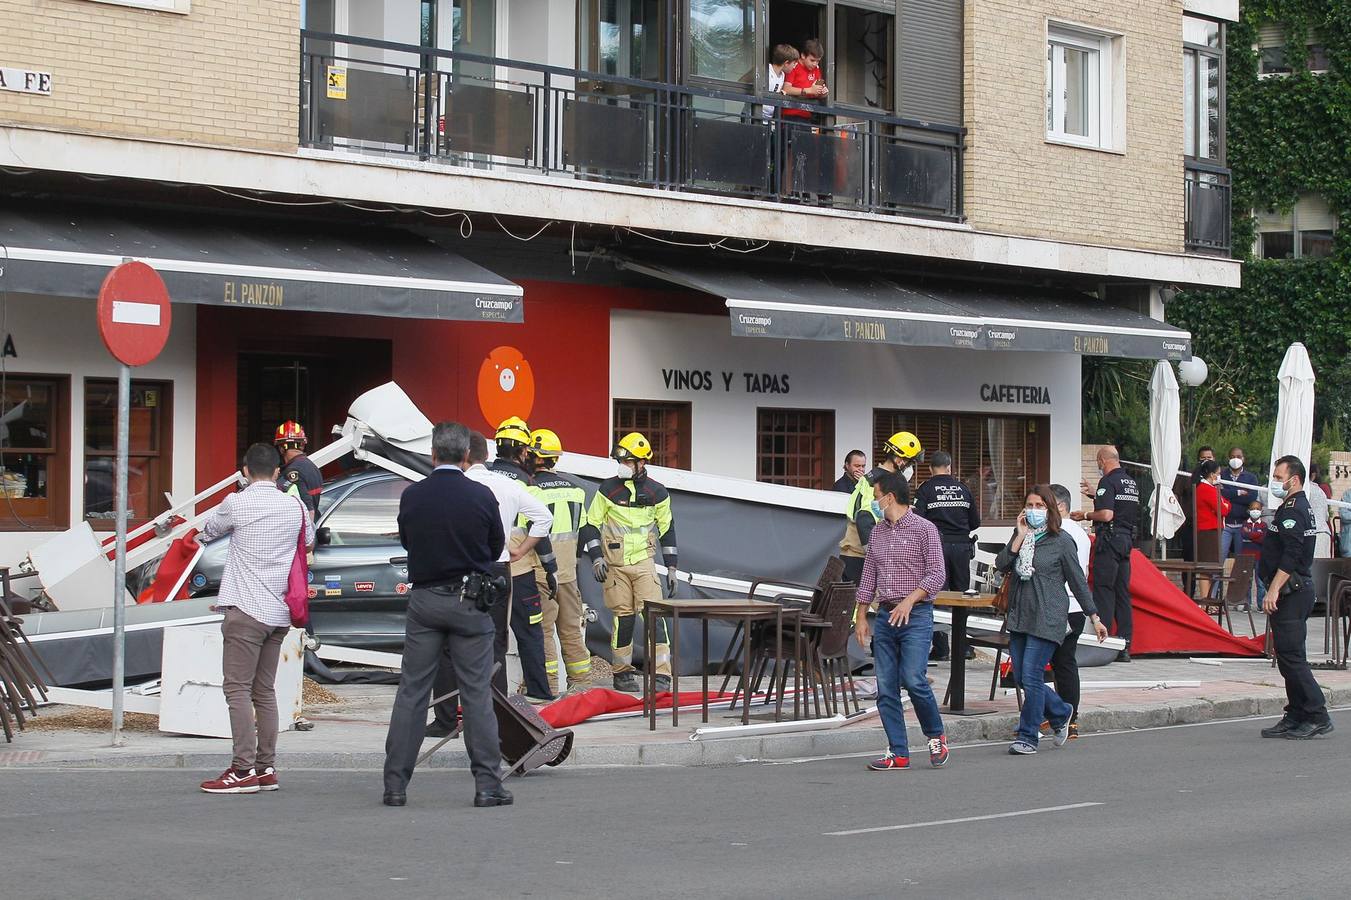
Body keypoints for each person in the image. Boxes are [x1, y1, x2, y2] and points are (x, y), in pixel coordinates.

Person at [383, 422, 513, 809]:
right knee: (476, 694)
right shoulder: (481, 495)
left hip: (425, 600)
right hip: (469, 602)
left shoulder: (413, 496)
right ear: (467, 457)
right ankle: (488, 785)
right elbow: (495, 546)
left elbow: (407, 539)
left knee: (412, 692)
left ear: (433, 454)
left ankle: (395, 786)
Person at [198, 442, 315, 794]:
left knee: (237, 689)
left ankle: (241, 769)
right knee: (264, 690)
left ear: (245, 471)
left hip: (245, 609)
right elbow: (308, 539)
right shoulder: (294, 504)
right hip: (280, 612)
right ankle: (266, 767)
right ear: (278, 472)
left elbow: (207, 530)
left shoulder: (237, 502)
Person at [425, 430, 553, 736]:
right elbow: (544, 517)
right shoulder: (508, 485)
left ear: (464, 454)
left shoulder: (456, 486)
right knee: (494, 645)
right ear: (485, 455)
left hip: (458, 571)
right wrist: (520, 549)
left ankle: (445, 719)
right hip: (498, 570)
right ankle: (495, 718)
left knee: (446, 646)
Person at [997, 486, 1108, 754]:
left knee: (1032, 675)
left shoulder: (1062, 541)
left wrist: (1094, 616)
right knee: (1022, 677)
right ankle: (1060, 713)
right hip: (1021, 614)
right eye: (1030, 505)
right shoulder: (1022, 535)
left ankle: (1027, 736)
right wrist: (1019, 537)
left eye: (1039, 506)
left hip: (1048, 615)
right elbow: (1002, 564)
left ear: (1050, 509)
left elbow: (1078, 582)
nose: (1034, 511)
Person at [853, 469, 949, 771]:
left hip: (917, 614)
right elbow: (869, 575)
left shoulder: (924, 529)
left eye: (876, 495)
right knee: (886, 686)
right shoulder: (878, 532)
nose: (874, 500)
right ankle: (898, 751)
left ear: (890, 497)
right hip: (885, 615)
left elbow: (936, 574)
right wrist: (860, 615)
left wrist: (910, 601)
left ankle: (935, 735)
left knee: (914, 679)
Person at [580, 432, 678, 694]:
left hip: (644, 565)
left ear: (641, 463)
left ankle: (662, 675)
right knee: (622, 619)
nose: (622, 466)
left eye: (627, 461)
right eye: (620, 461)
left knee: (654, 617)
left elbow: (667, 529)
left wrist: (671, 567)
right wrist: (596, 557)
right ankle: (622, 673)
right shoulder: (608, 489)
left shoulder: (657, 492)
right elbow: (590, 524)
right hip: (615, 566)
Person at [1258, 455, 1333, 740]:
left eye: (1279, 477)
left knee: (1292, 657)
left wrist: (1274, 589)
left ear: (1295, 479)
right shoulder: (1292, 506)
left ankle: (1316, 713)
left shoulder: (1294, 509)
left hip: (1292, 591)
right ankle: (1296, 713)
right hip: (1294, 590)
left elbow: (1291, 555)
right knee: (1289, 657)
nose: (1275, 482)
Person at [489, 417, 559, 702]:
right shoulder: (527, 483)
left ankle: (494, 695)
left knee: (492, 637)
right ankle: (540, 692)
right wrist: (551, 568)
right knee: (530, 632)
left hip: (489, 570)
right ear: (522, 452)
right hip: (519, 570)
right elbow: (539, 529)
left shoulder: (487, 478)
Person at [527, 428, 592, 696]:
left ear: (537, 457)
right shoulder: (576, 491)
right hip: (568, 574)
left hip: (542, 573)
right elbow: (586, 530)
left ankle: (549, 687)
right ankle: (582, 687)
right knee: (571, 630)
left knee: (543, 631)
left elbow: (531, 532)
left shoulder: (531, 490)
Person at [1071, 445, 1139, 662]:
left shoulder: (1108, 481)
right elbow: (1117, 508)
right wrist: (1096, 495)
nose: (1099, 466)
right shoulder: (1130, 482)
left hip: (1109, 542)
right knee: (1122, 593)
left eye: (1098, 463)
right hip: (1126, 541)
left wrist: (1085, 515)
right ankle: (1125, 645)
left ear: (1102, 460)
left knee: (1104, 591)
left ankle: (1105, 643)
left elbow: (1107, 514)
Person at [839, 432, 923, 584]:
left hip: (856, 554)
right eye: (909, 463)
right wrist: (876, 559)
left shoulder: (874, 476)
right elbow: (865, 518)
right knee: (866, 605)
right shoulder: (881, 481)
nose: (910, 467)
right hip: (861, 556)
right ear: (898, 459)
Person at [1049, 483, 1092, 739]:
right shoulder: (1081, 532)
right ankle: (1063, 716)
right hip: (1074, 605)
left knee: (1062, 663)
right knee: (1062, 662)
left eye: (1046, 505)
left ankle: (1068, 716)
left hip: (1064, 603)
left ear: (1062, 507)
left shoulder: (1063, 532)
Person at [912, 450, 980, 591]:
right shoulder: (963, 489)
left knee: (938, 590)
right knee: (962, 593)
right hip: (962, 548)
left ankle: (941, 614)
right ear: (949, 467)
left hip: (937, 546)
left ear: (930, 468)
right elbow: (975, 522)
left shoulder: (925, 489)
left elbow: (917, 520)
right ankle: (960, 614)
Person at [1194, 460, 1230, 597]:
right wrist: (1224, 505)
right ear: (1211, 474)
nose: (1219, 476)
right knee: (1206, 567)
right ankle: (1205, 599)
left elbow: (1226, 505)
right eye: (1218, 474)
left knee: (1209, 567)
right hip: (1208, 530)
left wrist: (1224, 504)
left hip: (1211, 530)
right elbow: (1223, 509)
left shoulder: (1210, 489)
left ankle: (1208, 599)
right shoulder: (1205, 489)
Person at [274, 420, 323, 520]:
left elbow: (308, 509)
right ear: (302, 445)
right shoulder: (312, 466)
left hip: (303, 529)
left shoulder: (292, 472)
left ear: (281, 448)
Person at [1219, 447, 1259, 560]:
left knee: (1241, 560)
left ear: (1243, 459)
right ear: (1228, 458)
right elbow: (1219, 495)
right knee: (1219, 558)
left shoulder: (1251, 478)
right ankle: (1216, 578)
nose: (1235, 459)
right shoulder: (1221, 475)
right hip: (1224, 524)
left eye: (1238, 457)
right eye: (1232, 457)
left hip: (1243, 525)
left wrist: (1229, 495)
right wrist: (1239, 493)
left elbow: (1251, 498)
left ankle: (1239, 579)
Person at [781, 39, 828, 122]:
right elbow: (786, 89)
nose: (815, 64)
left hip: (807, 115)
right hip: (789, 114)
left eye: (818, 61)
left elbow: (817, 90)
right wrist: (808, 90)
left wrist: (823, 92)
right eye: (812, 60)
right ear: (803, 55)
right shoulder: (793, 66)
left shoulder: (816, 69)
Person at [762, 44, 799, 120]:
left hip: (767, 119)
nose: (795, 66)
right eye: (794, 63)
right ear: (786, 63)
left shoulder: (782, 75)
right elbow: (743, 81)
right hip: (752, 116)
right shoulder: (765, 70)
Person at [1307, 462, 1333, 559]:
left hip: (1314, 535)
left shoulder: (1305, 489)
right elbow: (1326, 516)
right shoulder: (1321, 491)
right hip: (1324, 533)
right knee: (1323, 570)